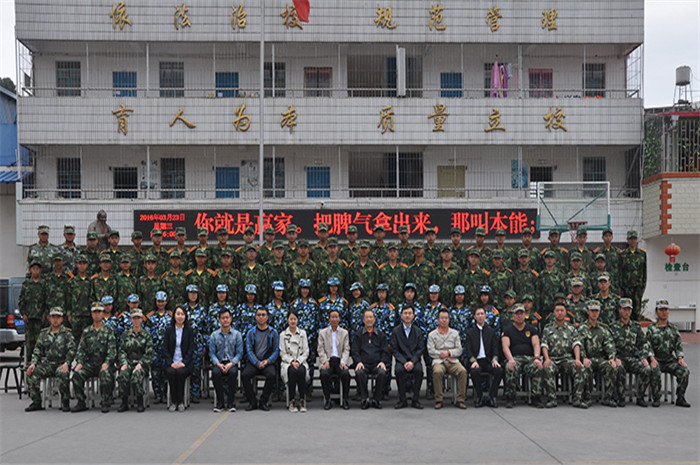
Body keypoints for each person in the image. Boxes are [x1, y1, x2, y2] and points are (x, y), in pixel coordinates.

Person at [25, 307, 76, 412]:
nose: (55, 320)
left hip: (61, 364)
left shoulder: (67, 333)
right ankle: (36, 402)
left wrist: (67, 363)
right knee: (31, 372)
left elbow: (72, 350)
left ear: (62, 319)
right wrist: (33, 363)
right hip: (48, 364)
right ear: (49, 318)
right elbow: (37, 350)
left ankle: (65, 402)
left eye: (58, 317)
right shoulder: (44, 333)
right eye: (53, 317)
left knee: (62, 373)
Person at [540, 302, 590, 408]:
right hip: (553, 359)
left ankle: (577, 399)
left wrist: (577, 359)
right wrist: (547, 359)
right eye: (557, 310)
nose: (560, 313)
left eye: (562, 310)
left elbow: (576, 344)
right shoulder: (548, 328)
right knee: (547, 369)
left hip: (567, 359)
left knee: (580, 369)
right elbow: (544, 345)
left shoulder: (571, 328)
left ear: (566, 312)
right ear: (554, 313)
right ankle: (552, 399)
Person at [71, 302, 117, 413]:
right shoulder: (87, 331)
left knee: (105, 374)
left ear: (103, 314)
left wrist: (107, 362)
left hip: (103, 363)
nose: (97, 314)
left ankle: (105, 402)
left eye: (99, 312)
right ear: (91, 314)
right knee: (77, 375)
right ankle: (81, 402)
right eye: (95, 312)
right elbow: (81, 349)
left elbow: (112, 351)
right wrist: (80, 362)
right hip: (90, 364)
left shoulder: (108, 331)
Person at [647, 300, 691, 407]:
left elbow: (678, 345)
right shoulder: (651, 328)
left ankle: (680, 398)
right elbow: (647, 345)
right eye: (661, 310)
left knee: (684, 371)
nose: (664, 312)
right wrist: (652, 359)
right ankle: (656, 398)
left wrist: (680, 358)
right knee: (654, 370)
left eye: (666, 310)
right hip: (656, 359)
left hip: (669, 360)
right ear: (657, 312)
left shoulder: (674, 329)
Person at [610, 298, 652, 407]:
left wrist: (643, 357)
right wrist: (614, 357)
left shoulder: (636, 327)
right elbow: (610, 345)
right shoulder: (613, 327)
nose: (627, 312)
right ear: (620, 310)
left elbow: (643, 343)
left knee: (646, 369)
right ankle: (621, 397)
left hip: (633, 358)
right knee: (618, 368)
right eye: (624, 309)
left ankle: (640, 397)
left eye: (629, 309)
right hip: (620, 358)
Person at [577, 300, 620, 408]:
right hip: (588, 358)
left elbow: (609, 344)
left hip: (600, 358)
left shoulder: (603, 328)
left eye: (596, 311)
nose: (594, 313)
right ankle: (587, 397)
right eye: (592, 311)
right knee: (585, 368)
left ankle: (607, 398)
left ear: (599, 312)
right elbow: (579, 345)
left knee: (612, 367)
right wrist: (584, 358)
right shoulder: (582, 328)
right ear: (588, 311)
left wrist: (611, 358)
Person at [502, 303, 544, 408]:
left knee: (537, 367)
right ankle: (511, 398)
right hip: (515, 358)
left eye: (521, 313)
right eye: (517, 314)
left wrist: (537, 358)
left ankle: (536, 398)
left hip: (529, 358)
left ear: (525, 315)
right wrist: (510, 359)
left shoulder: (532, 329)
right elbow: (505, 346)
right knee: (510, 368)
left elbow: (536, 344)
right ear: (513, 316)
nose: (519, 316)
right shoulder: (507, 330)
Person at [427, 308, 468, 409]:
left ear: (449, 320)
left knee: (462, 371)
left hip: (452, 361)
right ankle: (439, 400)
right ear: (438, 320)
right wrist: (442, 354)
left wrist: (449, 353)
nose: (444, 320)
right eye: (442, 318)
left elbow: (459, 350)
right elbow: (431, 351)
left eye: (446, 318)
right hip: (439, 361)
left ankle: (460, 400)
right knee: (437, 372)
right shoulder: (432, 334)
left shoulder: (454, 333)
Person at [242, 307, 280, 411]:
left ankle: (263, 401)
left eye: (263, 315)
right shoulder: (251, 332)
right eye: (259, 315)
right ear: (255, 317)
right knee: (245, 375)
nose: (261, 317)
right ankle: (252, 401)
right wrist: (257, 362)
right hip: (254, 362)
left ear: (267, 317)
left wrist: (267, 361)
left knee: (272, 375)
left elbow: (276, 350)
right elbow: (249, 350)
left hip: (267, 362)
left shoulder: (273, 332)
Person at [352, 309, 390, 409]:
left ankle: (377, 399)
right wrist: (358, 362)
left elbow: (385, 351)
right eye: (367, 317)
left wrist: (382, 362)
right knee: (359, 373)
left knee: (382, 373)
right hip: (363, 364)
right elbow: (355, 351)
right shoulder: (358, 335)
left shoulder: (380, 335)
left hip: (377, 364)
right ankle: (365, 399)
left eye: (371, 317)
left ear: (374, 319)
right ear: (363, 320)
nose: (369, 319)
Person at [465, 307, 504, 408]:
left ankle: (492, 396)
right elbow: (468, 349)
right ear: (474, 317)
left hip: (488, 361)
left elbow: (495, 348)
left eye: (482, 314)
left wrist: (495, 360)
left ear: (485, 316)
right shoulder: (470, 332)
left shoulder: (491, 331)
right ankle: (480, 397)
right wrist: (473, 361)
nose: (480, 316)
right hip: (476, 361)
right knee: (474, 371)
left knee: (499, 371)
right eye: (478, 314)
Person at [117, 308, 153, 413]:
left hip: (141, 364)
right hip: (128, 363)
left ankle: (140, 401)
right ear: (131, 320)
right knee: (123, 374)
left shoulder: (146, 335)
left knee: (136, 374)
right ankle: (124, 401)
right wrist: (123, 363)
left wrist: (141, 363)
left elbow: (149, 353)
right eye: (134, 318)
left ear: (141, 319)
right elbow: (121, 351)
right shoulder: (126, 335)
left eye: (138, 318)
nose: (136, 320)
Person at [209, 307, 244, 412]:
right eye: (223, 318)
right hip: (219, 362)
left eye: (227, 318)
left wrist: (231, 363)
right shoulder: (214, 335)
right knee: (215, 373)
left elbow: (239, 353)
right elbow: (212, 353)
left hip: (231, 362)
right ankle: (220, 402)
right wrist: (218, 364)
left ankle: (230, 402)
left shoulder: (237, 334)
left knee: (233, 373)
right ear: (219, 320)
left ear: (231, 319)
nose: (225, 320)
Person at [390, 304, 424, 409]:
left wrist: (412, 361)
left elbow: (420, 349)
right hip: (401, 360)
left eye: (410, 313)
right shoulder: (396, 331)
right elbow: (394, 349)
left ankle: (415, 400)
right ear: (401, 315)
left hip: (414, 360)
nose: (407, 316)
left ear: (413, 316)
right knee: (398, 370)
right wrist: (404, 362)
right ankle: (402, 400)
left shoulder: (418, 331)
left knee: (419, 371)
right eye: (405, 313)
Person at [317, 309, 352, 410]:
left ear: (339, 319)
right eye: (332, 317)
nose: (334, 319)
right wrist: (325, 361)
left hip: (339, 361)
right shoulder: (322, 333)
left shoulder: (344, 333)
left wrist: (343, 362)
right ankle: (328, 399)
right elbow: (320, 349)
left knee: (346, 374)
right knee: (324, 374)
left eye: (336, 317)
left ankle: (345, 399)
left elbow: (346, 349)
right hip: (328, 361)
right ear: (329, 319)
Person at [164, 306, 195, 412]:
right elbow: (165, 349)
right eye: (178, 314)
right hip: (172, 363)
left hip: (184, 364)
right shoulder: (169, 330)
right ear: (174, 316)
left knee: (180, 373)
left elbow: (191, 349)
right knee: (171, 372)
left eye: (182, 314)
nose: (180, 316)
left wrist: (183, 362)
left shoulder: (189, 330)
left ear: (185, 316)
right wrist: (171, 363)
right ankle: (174, 401)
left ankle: (181, 401)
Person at [280, 310, 310, 412]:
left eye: (295, 319)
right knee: (292, 371)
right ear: (287, 320)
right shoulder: (283, 335)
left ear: (297, 320)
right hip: (288, 362)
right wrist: (292, 361)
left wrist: (298, 361)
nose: (293, 321)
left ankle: (302, 400)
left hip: (300, 361)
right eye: (291, 319)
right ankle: (291, 400)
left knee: (301, 371)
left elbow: (306, 351)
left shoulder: (302, 333)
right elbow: (282, 353)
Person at [19, 260, 47, 364]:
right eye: (34, 269)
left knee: (39, 343)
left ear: (40, 270)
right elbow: (21, 300)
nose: (35, 271)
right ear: (30, 270)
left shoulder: (43, 284)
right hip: (29, 319)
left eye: (37, 269)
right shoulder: (26, 284)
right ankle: (29, 365)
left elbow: (46, 300)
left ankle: (38, 365)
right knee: (29, 343)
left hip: (39, 319)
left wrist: (44, 314)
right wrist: (23, 314)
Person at [620, 230, 647, 320]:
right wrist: (621, 287)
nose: (632, 241)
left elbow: (644, 271)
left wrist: (643, 286)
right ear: (627, 240)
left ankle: (636, 326)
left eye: (634, 239)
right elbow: (620, 271)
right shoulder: (623, 255)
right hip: (626, 287)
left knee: (636, 309)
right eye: (631, 239)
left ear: (637, 240)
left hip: (638, 286)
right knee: (626, 309)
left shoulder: (642, 254)